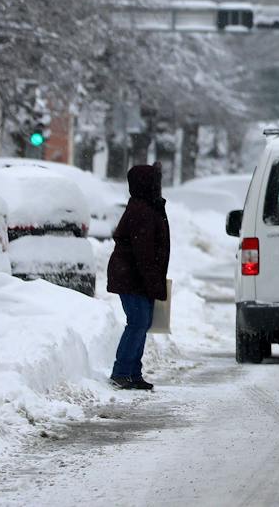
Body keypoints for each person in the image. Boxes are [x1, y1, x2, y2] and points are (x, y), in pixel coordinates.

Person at [106, 163, 170, 390]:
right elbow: (144, 254)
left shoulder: (147, 207)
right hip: (132, 278)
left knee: (141, 323)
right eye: (155, 181)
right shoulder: (142, 211)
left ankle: (133, 373)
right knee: (138, 322)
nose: (158, 186)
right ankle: (121, 372)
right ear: (146, 184)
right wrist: (153, 282)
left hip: (136, 277)